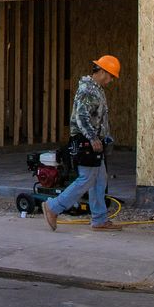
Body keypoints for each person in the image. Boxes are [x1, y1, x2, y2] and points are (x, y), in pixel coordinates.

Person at [44, 54, 121, 233]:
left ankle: (99, 219)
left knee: (100, 178)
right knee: (87, 179)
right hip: (86, 140)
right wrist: (92, 138)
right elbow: (81, 117)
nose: (111, 80)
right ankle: (53, 207)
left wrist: (102, 137)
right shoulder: (88, 90)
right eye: (110, 76)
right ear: (102, 71)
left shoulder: (96, 89)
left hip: (94, 140)